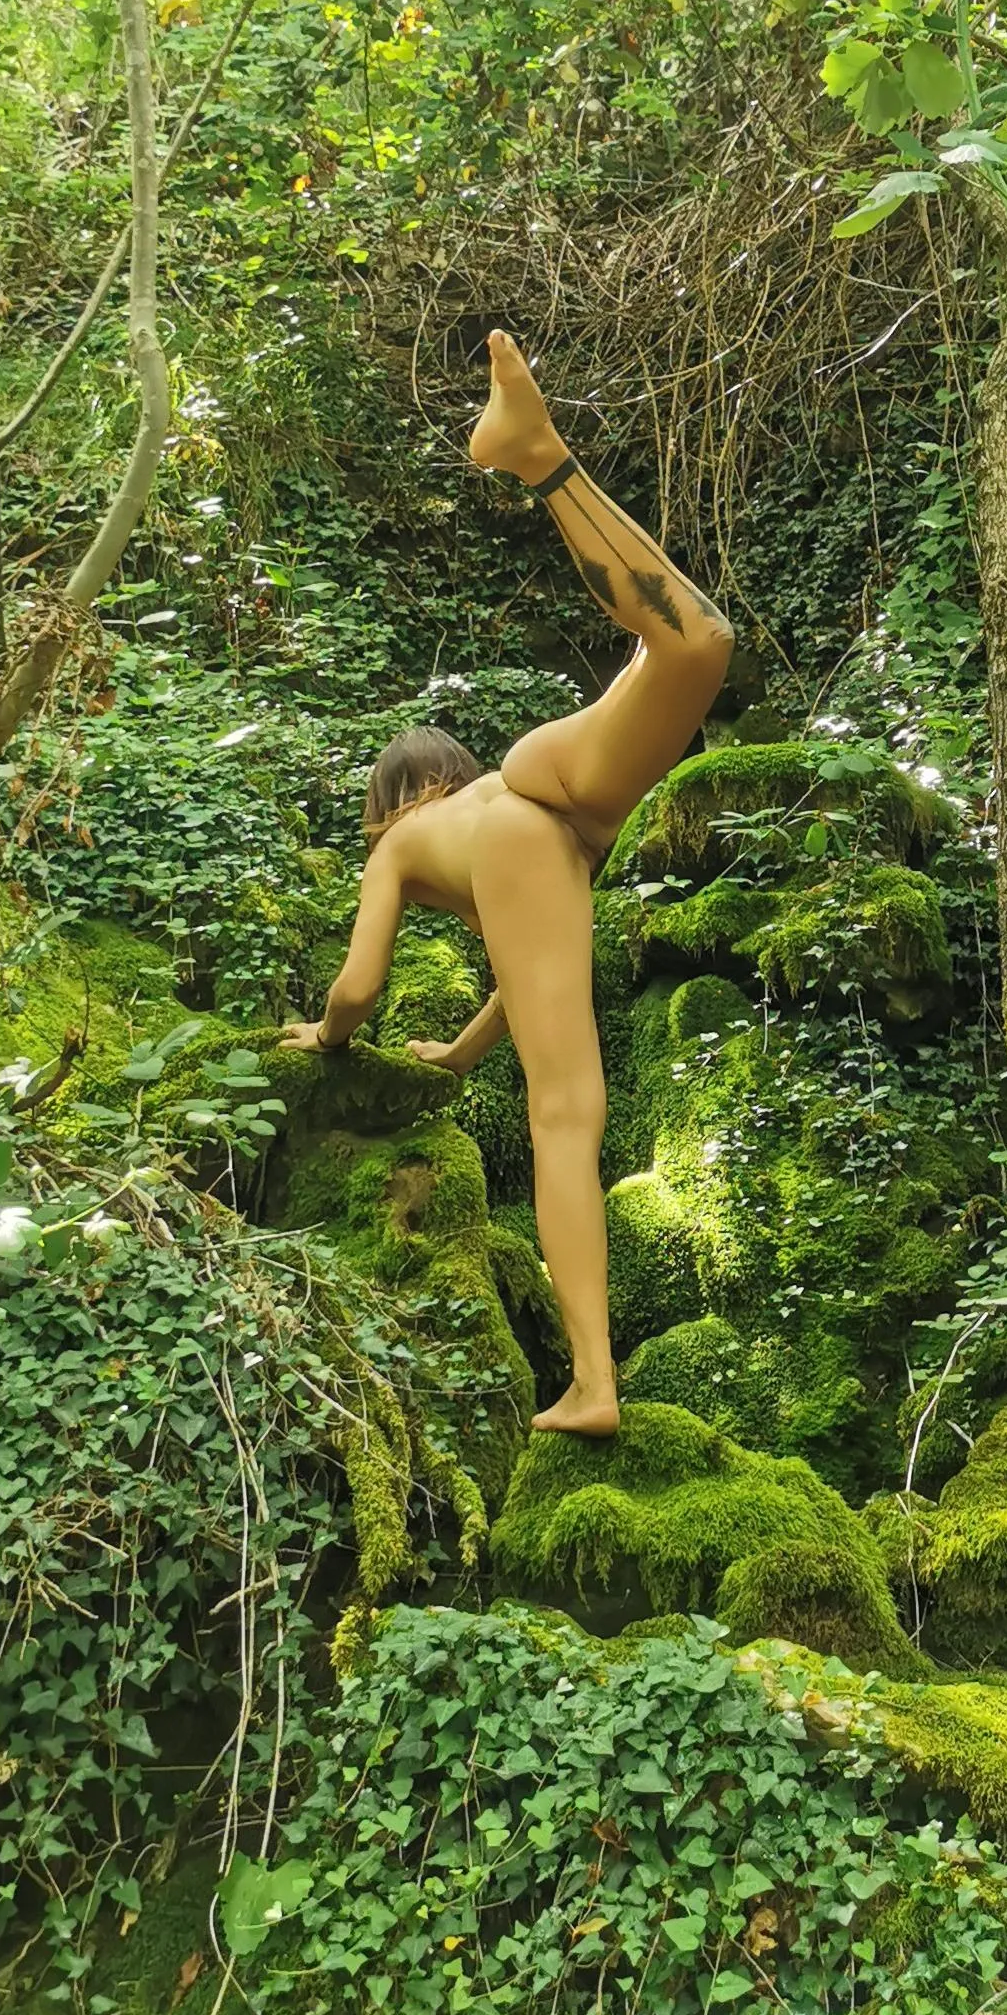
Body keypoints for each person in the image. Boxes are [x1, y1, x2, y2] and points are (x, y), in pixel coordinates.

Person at [281, 331, 733, 1436]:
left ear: (393, 800)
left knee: (564, 1121)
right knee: (686, 646)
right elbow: (527, 969)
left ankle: (592, 1380)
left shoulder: (403, 843)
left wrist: (327, 1035)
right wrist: (460, 1051)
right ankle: (593, 1384)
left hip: (546, 812)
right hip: (558, 822)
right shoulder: (482, 815)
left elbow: (358, 984)